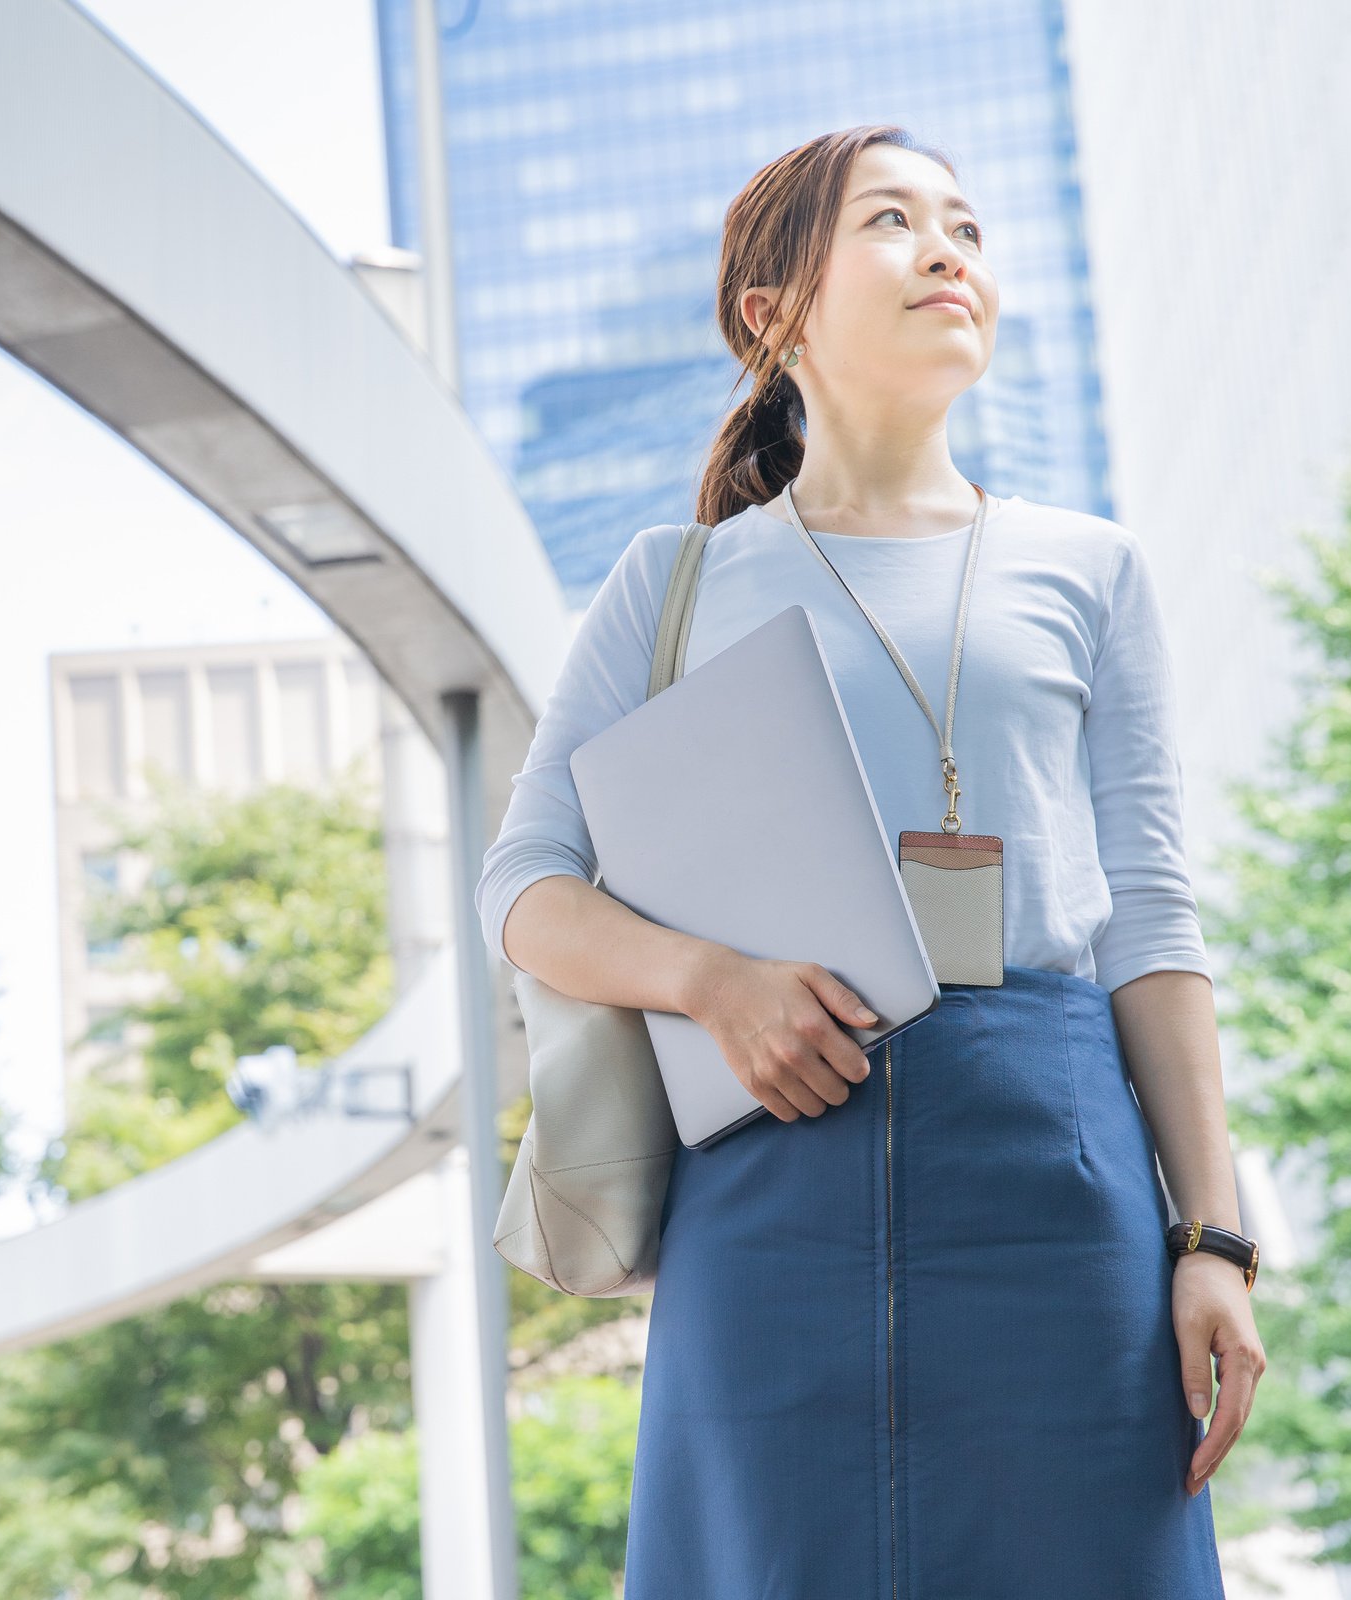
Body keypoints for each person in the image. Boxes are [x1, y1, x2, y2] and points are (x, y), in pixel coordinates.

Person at [475, 125, 1267, 1597]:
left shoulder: (1088, 569)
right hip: (771, 1196)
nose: (948, 249)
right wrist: (708, 983)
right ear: (770, 313)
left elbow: (1152, 923)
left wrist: (1213, 1237)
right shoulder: (676, 579)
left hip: (1059, 1185)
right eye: (891, 222)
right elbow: (523, 886)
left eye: (964, 224)